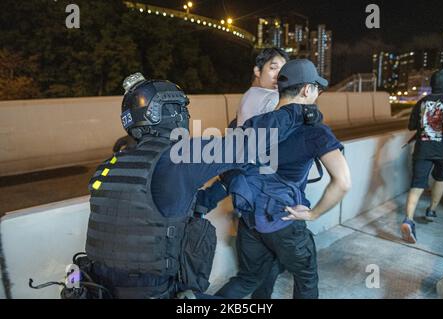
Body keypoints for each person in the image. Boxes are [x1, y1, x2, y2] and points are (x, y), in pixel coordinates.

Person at [82, 72, 314, 299]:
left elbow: (164, 210)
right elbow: (250, 142)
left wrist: (222, 186)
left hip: (95, 289)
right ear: (171, 112)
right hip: (155, 292)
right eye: (182, 109)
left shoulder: (110, 166)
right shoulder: (177, 157)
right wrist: (297, 111)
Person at [213, 59, 351, 299]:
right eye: (317, 88)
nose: (317, 94)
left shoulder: (257, 123)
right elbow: (343, 181)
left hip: (250, 219)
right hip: (284, 220)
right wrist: (313, 214)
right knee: (306, 279)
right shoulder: (315, 131)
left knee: (249, 278)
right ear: (307, 89)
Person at [401, 69, 443, 244]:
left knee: (417, 184)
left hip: (423, 148)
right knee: (439, 178)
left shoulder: (421, 102)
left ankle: (408, 219)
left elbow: (411, 127)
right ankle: (431, 210)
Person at [236, 48, 289, 127]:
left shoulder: (247, 95)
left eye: (283, 69)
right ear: (257, 71)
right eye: (273, 68)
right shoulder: (274, 98)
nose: (279, 75)